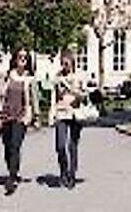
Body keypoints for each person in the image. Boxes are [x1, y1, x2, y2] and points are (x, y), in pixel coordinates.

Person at [0, 48, 40, 196]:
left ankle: (12, 178)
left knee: (15, 145)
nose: (22, 59)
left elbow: (34, 100)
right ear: (14, 58)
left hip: (21, 117)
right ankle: (12, 169)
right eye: (20, 57)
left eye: (25, 57)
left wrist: (35, 117)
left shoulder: (30, 79)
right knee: (8, 148)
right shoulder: (7, 76)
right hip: (6, 116)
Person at [49, 50, 84, 190]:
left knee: (72, 146)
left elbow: (83, 95)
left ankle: (72, 174)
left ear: (72, 62)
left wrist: (71, 88)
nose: (65, 66)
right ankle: (63, 171)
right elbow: (54, 96)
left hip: (75, 113)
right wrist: (52, 113)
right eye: (63, 63)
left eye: (67, 64)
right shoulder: (57, 77)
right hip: (61, 113)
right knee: (60, 145)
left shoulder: (79, 75)